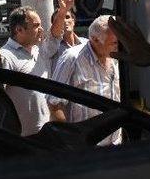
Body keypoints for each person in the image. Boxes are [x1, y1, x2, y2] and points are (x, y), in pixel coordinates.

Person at [0, 0, 74, 136]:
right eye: (36, 26)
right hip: (22, 138)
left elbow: (55, 35)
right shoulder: (5, 56)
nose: (41, 29)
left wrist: (63, 11)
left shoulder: (41, 50)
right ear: (19, 30)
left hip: (47, 134)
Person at [47, 15, 121, 145]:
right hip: (87, 148)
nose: (118, 46)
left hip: (116, 143)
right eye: (114, 43)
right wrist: (72, 140)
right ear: (95, 39)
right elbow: (54, 103)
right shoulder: (72, 58)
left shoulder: (117, 58)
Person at [49, 6, 88, 73]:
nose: (64, 21)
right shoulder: (52, 48)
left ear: (73, 21)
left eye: (67, 17)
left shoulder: (86, 43)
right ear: (54, 25)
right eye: (60, 19)